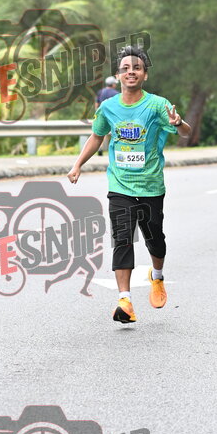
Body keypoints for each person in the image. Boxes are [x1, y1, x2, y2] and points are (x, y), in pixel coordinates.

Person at [67, 46, 191, 323]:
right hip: (120, 185)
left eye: (136, 68)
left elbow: (185, 132)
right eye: (125, 68)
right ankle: (125, 301)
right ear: (118, 75)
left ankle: (157, 276)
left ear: (145, 75)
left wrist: (179, 123)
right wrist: (78, 164)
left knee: (155, 239)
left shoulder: (157, 105)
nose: (130, 72)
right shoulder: (108, 107)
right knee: (122, 239)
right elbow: (97, 136)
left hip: (150, 186)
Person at [95, 76, 119, 156]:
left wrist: (97, 114)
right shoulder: (116, 93)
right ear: (113, 84)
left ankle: (100, 148)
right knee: (114, 132)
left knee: (102, 132)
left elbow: (97, 104)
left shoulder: (100, 92)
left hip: (103, 114)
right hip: (113, 116)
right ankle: (112, 149)